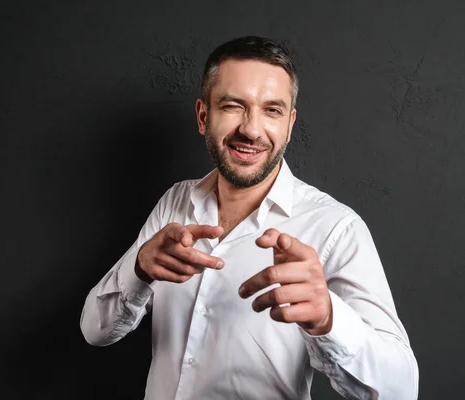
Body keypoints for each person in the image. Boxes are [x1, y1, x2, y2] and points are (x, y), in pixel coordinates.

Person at [80, 36, 419, 400]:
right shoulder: (174, 203)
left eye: (271, 110)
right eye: (232, 106)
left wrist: (328, 318)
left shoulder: (336, 228)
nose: (252, 130)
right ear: (203, 116)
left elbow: (402, 390)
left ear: (289, 125)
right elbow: (95, 331)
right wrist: (139, 268)